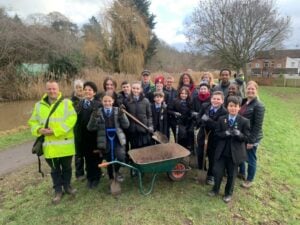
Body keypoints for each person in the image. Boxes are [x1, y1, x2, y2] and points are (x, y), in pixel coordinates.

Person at [28, 80, 77, 204]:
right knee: (55, 169)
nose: (52, 91)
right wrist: (39, 129)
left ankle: (67, 186)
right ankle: (58, 191)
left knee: (66, 168)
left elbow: (72, 119)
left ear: (58, 89)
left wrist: (55, 131)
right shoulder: (38, 105)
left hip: (65, 144)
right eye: (49, 89)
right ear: (46, 90)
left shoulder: (67, 103)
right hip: (49, 146)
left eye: (54, 89)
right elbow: (32, 122)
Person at [208, 96, 250, 203]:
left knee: (232, 175)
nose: (233, 108)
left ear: (239, 108)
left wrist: (239, 134)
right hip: (222, 151)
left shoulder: (244, 121)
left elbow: (246, 138)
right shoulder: (222, 119)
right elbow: (216, 134)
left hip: (234, 153)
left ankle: (228, 193)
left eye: (235, 106)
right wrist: (224, 134)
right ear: (227, 107)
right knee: (217, 172)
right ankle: (215, 189)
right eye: (231, 106)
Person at [87, 95, 130, 185]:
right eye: (105, 101)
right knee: (109, 159)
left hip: (117, 139)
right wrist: (94, 117)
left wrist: (122, 115)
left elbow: (126, 125)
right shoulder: (97, 112)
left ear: (113, 101)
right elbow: (90, 128)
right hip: (105, 139)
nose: (107, 103)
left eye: (109, 101)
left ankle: (117, 171)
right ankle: (111, 176)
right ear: (102, 102)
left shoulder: (118, 110)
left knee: (121, 156)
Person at [74, 81, 102, 189]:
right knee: (87, 158)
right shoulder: (80, 104)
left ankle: (96, 177)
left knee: (95, 158)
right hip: (83, 137)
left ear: (94, 93)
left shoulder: (98, 104)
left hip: (94, 137)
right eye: (85, 89)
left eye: (90, 90)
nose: (87, 91)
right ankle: (90, 178)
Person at [196, 91, 227, 185]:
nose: (215, 101)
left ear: (222, 101)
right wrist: (201, 120)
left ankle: (211, 175)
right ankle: (202, 170)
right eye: (214, 98)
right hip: (203, 135)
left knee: (212, 157)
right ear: (211, 99)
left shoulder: (224, 112)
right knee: (200, 154)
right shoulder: (205, 106)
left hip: (214, 138)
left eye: (218, 99)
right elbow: (199, 116)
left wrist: (208, 120)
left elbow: (219, 126)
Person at [238, 81, 265, 188]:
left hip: (252, 137)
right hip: (243, 134)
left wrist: (251, 141)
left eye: (252, 89)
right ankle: (242, 173)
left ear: (256, 91)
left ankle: (249, 180)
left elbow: (258, 126)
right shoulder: (244, 101)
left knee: (250, 158)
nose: (250, 91)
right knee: (242, 154)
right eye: (248, 89)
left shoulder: (259, 105)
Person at [124, 81, 153, 149]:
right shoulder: (127, 101)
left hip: (144, 130)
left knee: (145, 149)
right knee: (135, 150)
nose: (135, 90)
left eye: (137, 88)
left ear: (141, 90)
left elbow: (149, 116)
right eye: (134, 88)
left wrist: (150, 126)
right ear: (131, 89)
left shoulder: (146, 101)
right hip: (133, 131)